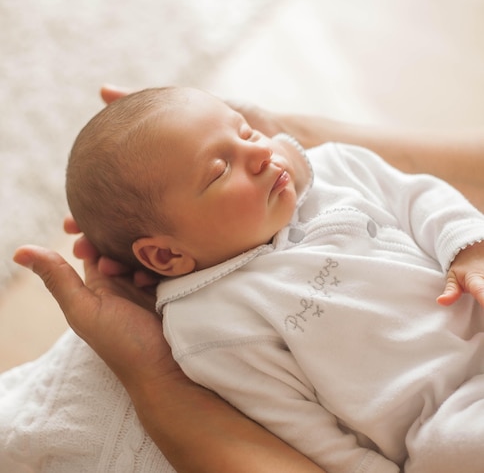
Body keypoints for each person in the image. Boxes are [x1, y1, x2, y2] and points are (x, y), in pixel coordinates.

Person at [13, 84, 484, 473]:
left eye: (246, 131)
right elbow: (295, 422)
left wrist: (469, 249)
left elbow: (420, 198)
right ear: (166, 253)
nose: (258, 152)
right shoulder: (209, 324)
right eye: (220, 170)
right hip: (441, 419)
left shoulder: (334, 167)